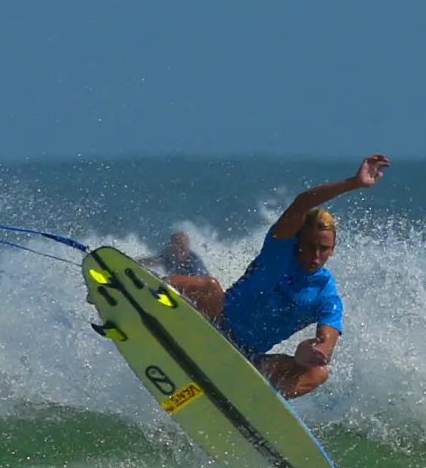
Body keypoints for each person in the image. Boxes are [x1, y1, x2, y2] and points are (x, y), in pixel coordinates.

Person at [167, 154, 390, 400]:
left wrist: (309, 353)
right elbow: (301, 204)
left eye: (324, 249)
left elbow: (325, 345)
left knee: (318, 373)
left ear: (333, 249)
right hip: (213, 324)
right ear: (298, 243)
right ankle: (141, 290)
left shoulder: (326, 297)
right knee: (207, 286)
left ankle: (249, 404)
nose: (316, 255)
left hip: (246, 359)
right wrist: (353, 184)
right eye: (310, 246)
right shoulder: (279, 251)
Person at [138, 230, 209, 277]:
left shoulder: (193, 262)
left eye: (177, 243)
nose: (172, 245)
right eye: (171, 243)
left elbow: (199, 281)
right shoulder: (167, 256)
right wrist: (136, 263)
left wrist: (171, 281)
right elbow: (151, 261)